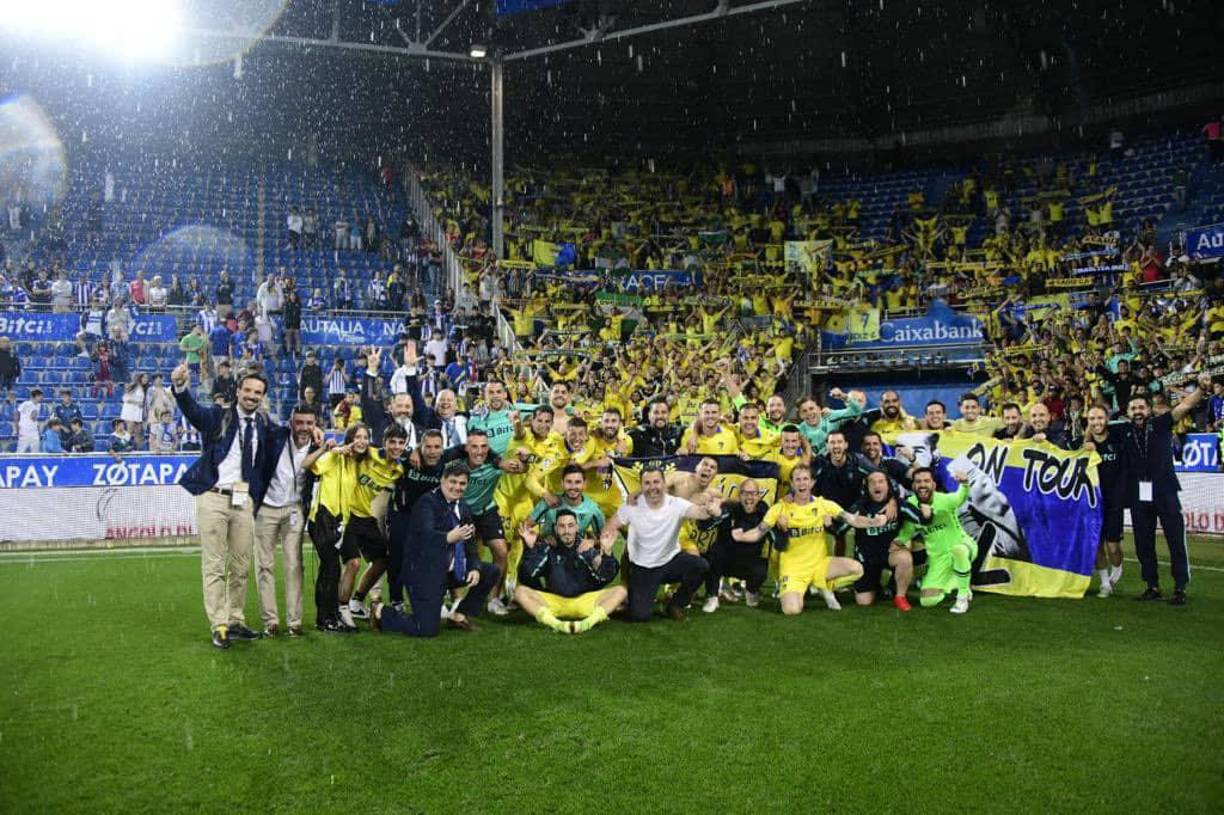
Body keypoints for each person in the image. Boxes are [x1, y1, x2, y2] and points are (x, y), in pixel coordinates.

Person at [171, 361, 273, 649]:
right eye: (249, 390)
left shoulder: (263, 424)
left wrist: (315, 434)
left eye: (258, 392)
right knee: (215, 565)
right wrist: (181, 387)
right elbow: (194, 412)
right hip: (213, 496)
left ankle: (236, 619)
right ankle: (219, 624)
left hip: (243, 501)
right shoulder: (219, 416)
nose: (253, 396)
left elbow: (280, 443)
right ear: (238, 390)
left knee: (241, 565)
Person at [370, 461, 500, 636]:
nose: (457, 487)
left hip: (447, 571)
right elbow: (425, 539)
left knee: (490, 571)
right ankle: (381, 612)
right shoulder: (427, 503)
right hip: (422, 574)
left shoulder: (463, 507)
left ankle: (458, 614)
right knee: (426, 630)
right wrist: (448, 537)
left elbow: (469, 544)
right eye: (453, 482)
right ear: (442, 481)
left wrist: (475, 567)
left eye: (462, 483)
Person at [736, 464, 885, 614]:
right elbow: (758, 532)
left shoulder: (824, 505)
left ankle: (822, 586)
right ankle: (807, 587)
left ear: (812, 482)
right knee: (791, 610)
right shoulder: (779, 508)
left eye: (805, 479)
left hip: (819, 565)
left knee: (857, 569)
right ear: (792, 484)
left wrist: (873, 522)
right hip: (793, 569)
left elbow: (852, 519)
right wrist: (741, 536)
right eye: (798, 480)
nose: (802, 483)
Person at [1124, 375, 1211, 605]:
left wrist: (1201, 388)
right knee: (1143, 542)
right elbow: (1097, 430)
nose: (1138, 411)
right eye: (1133, 408)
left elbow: (1186, 404)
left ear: (1150, 409)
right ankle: (1152, 585)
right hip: (1138, 494)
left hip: (1165, 490)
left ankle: (1180, 587)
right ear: (1127, 412)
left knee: (1175, 539)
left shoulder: (1161, 423)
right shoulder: (1122, 431)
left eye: (1141, 407)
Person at [598, 466, 722, 623]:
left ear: (664, 484)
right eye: (647, 483)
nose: (652, 487)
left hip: (670, 562)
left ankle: (676, 604)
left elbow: (699, 512)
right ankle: (625, 600)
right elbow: (612, 523)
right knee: (639, 616)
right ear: (641, 486)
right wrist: (607, 538)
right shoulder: (632, 505)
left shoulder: (676, 504)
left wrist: (711, 511)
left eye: (656, 482)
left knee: (700, 565)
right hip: (643, 568)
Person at [254, 405, 319, 637]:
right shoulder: (276, 437)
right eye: (299, 422)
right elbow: (260, 417)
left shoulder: (318, 446)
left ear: (315, 424)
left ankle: (294, 622)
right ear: (291, 423)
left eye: (309, 423)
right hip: (266, 509)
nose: (304, 428)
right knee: (264, 566)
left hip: (295, 510)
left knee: (294, 565)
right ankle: (270, 621)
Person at [514, 511, 626, 634]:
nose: (566, 530)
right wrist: (530, 548)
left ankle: (587, 623)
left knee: (621, 590)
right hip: (555, 601)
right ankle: (557, 624)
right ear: (556, 529)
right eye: (562, 526)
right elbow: (526, 576)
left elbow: (605, 577)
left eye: (570, 525)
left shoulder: (585, 547)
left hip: (584, 601)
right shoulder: (548, 548)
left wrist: (607, 553)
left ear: (577, 527)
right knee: (520, 591)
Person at [896, 467, 977, 614]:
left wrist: (965, 483)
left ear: (933, 484)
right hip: (938, 558)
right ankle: (956, 583)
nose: (922, 485)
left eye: (926, 481)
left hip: (963, 545)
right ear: (913, 485)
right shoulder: (911, 505)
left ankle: (962, 597)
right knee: (927, 601)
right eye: (918, 481)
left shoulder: (944, 500)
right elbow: (907, 531)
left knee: (958, 551)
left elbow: (960, 497)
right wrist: (896, 543)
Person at [841, 471, 916, 610]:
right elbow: (839, 529)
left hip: (889, 553)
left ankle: (900, 596)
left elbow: (922, 519)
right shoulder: (860, 506)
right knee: (864, 601)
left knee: (905, 558)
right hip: (866, 559)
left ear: (888, 485)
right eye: (873, 482)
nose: (877, 485)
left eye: (881, 481)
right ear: (867, 487)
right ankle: (878, 587)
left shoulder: (897, 504)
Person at [701, 478, 771, 612]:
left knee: (761, 570)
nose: (749, 497)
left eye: (753, 493)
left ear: (758, 495)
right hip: (727, 561)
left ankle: (751, 591)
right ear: (739, 495)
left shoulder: (764, 511)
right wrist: (714, 514)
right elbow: (706, 525)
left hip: (750, 561)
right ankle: (712, 596)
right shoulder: (730, 509)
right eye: (745, 493)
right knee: (714, 552)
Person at [1080, 404, 1127, 598]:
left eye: (1100, 418)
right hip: (1091, 502)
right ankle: (1105, 583)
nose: (1096, 422)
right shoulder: (1082, 446)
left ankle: (1118, 567)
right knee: (1096, 545)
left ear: (1107, 419)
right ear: (1088, 422)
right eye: (1092, 419)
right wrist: (1085, 445)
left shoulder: (1118, 438)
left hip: (1114, 501)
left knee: (1113, 546)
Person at [16, 388, 43, 454]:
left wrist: (38, 430)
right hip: (24, 431)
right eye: (40, 396)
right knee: (20, 452)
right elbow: (17, 414)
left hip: (34, 432)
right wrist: (17, 428)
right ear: (36, 396)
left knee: (35, 452)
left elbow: (35, 419)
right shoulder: (26, 404)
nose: (42, 397)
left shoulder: (39, 405)